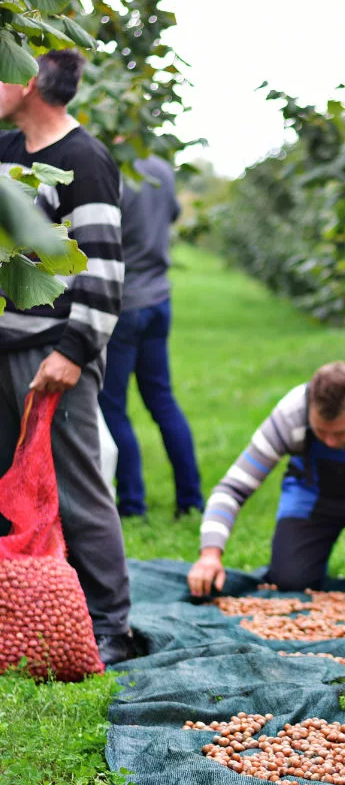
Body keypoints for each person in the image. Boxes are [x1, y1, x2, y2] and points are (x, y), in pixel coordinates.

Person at [0, 50, 136, 666]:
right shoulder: (6, 154)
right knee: (7, 482)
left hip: (53, 353)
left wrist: (75, 350)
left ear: (27, 81)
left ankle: (111, 623)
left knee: (76, 486)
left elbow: (105, 269)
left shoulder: (83, 160)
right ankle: (20, 610)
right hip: (5, 345)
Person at [187, 361, 345, 597]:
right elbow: (232, 489)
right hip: (312, 495)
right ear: (310, 405)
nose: (331, 442)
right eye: (321, 432)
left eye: (340, 433)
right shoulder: (290, 416)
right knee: (289, 582)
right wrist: (210, 553)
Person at [98, 154, 204, 518]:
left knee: (112, 406)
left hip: (124, 304)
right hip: (160, 299)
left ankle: (131, 504)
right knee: (162, 401)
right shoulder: (160, 167)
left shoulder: (111, 169)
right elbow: (171, 213)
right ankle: (190, 501)